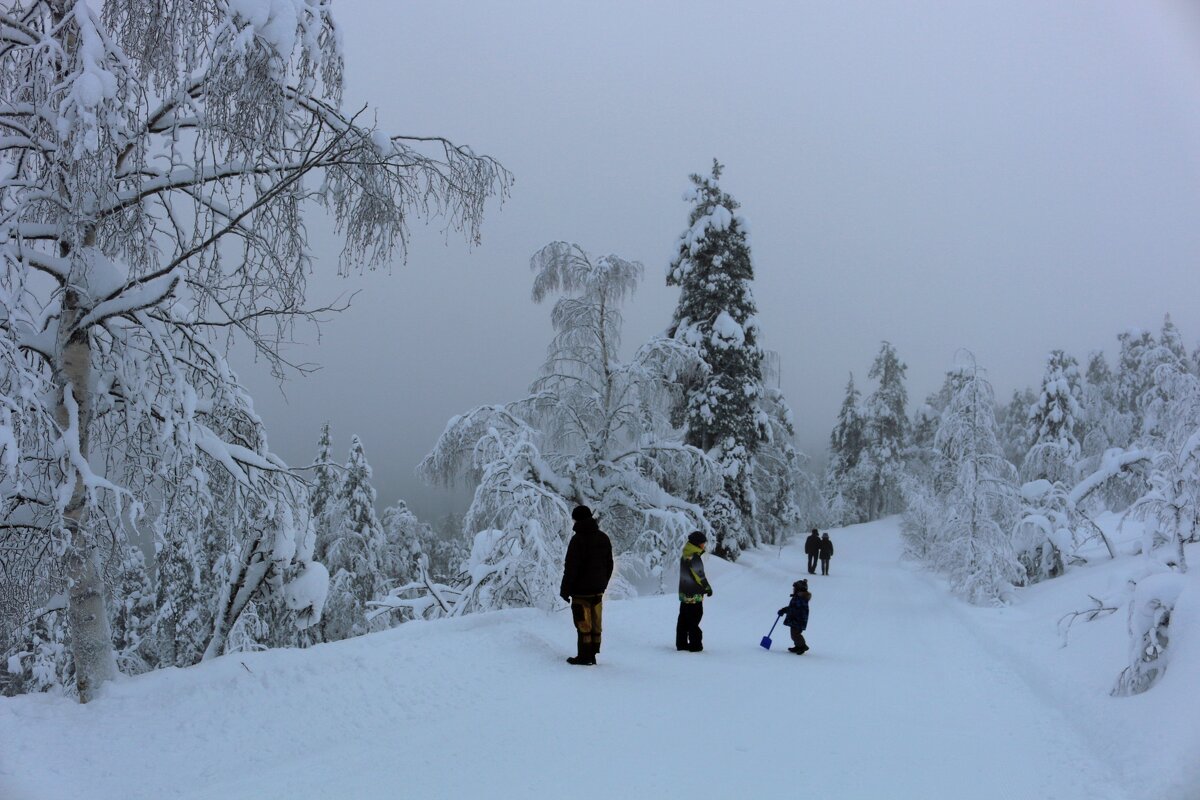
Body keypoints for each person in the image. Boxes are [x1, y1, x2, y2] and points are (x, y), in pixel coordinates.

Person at [559, 505, 614, 666]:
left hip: (581, 592)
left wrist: (565, 590)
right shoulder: (603, 537)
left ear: (577, 520)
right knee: (596, 623)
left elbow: (571, 568)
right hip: (598, 591)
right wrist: (603, 583)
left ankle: (584, 656)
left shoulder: (577, 540)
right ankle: (592, 654)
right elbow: (609, 564)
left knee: (583, 623)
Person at [676, 531, 713, 652]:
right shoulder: (694, 557)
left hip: (684, 593)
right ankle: (695, 645)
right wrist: (707, 588)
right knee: (694, 618)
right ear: (698, 544)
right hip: (694, 594)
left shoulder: (685, 555)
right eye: (703, 543)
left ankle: (681, 644)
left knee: (683, 619)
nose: (704, 545)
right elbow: (699, 576)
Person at [777, 579, 812, 654]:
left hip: (799, 620)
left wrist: (785, 610)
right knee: (794, 635)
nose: (793, 589)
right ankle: (798, 646)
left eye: (794, 588)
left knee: (795, 635)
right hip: (795, 619)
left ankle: (802, 646)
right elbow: (792, 607)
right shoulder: (797, 597)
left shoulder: (801, 599)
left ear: (799, 589)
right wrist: (784, 610)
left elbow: (795, 609)